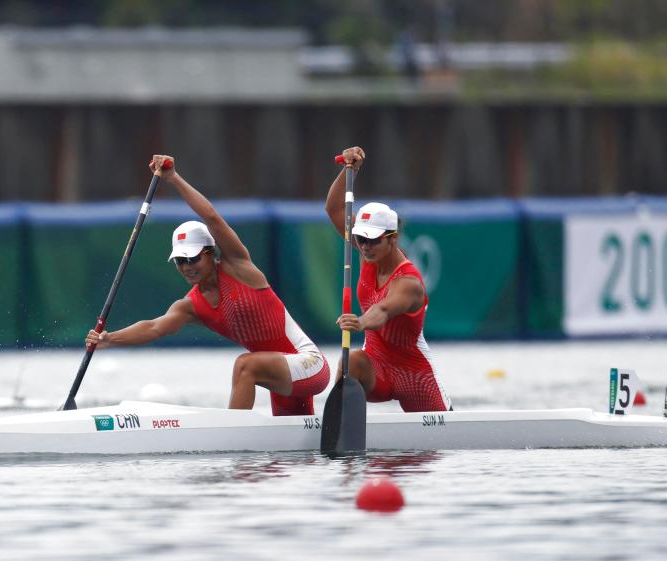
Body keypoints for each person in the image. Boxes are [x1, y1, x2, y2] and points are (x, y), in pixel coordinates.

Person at [86, 155, 330, 416]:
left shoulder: (237, 266)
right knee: (291, 452)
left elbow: (212, 217)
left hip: (310, 365)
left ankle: (232, 435)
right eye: (180, 261)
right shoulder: (190, 306)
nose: (187, 266)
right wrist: (110, 339)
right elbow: (154, 327)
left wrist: (173, 179)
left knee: (244, 365)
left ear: (210, 253)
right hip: (278, 377)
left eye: (192, 258)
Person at [326, 146, 451, 412]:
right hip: (376, 368)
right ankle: (337, 420)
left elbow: (383, 310)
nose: (365, 246)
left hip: (415, 377)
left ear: (393, 238)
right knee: (353, 360)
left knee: (434, 454)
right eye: (360, 239)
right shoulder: (365, 253)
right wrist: (351, 170)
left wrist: (360, 323)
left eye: (373, 240)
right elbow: (334, 208)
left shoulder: (409, 283)